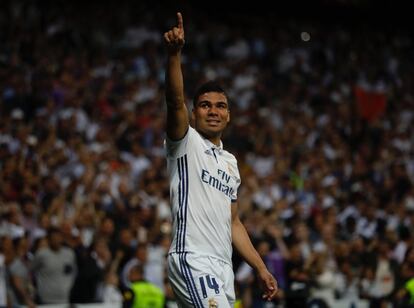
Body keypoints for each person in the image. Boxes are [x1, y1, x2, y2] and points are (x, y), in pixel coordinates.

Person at [163, 12, 278, 307]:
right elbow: (175, 101)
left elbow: (234, 223)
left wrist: (260, 267)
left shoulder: (230, 162)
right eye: (204, 105)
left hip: (222, 267)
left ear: (228, 116)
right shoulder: (185, 142)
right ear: (194, 113)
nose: (213, 111)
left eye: (220, 106)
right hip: (193, 258)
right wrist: (174, 55)